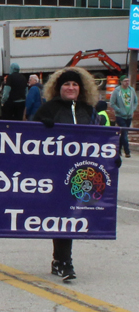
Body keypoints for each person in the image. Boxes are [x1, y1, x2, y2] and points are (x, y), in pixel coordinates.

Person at [34, 66, 104, 282]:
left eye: (74, 84)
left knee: (73, 216)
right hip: (55, 171)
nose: (71, 87)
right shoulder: (48, 109)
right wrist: (41, 128)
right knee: (62, 214)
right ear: (58, 87)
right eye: (66, 84)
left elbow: (100, 139)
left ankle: (60, 260)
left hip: (81, 173)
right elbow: (28, 139)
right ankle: (64, 261)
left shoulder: (89, 110)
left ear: (81, 88)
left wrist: (110, 158)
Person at [110, 75, 138, 158]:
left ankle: (118, 150)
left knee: (123, 134)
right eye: (125, 81)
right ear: (121, 82)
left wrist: (133, 109)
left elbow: (135, 101)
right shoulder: (117, 91)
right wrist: (119, 110)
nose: (127, 82)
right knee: (124, 133)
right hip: (120, 116)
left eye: (128, 81)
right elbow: (112, 103)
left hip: (129, 115)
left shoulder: (131, 90)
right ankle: (127, 151)